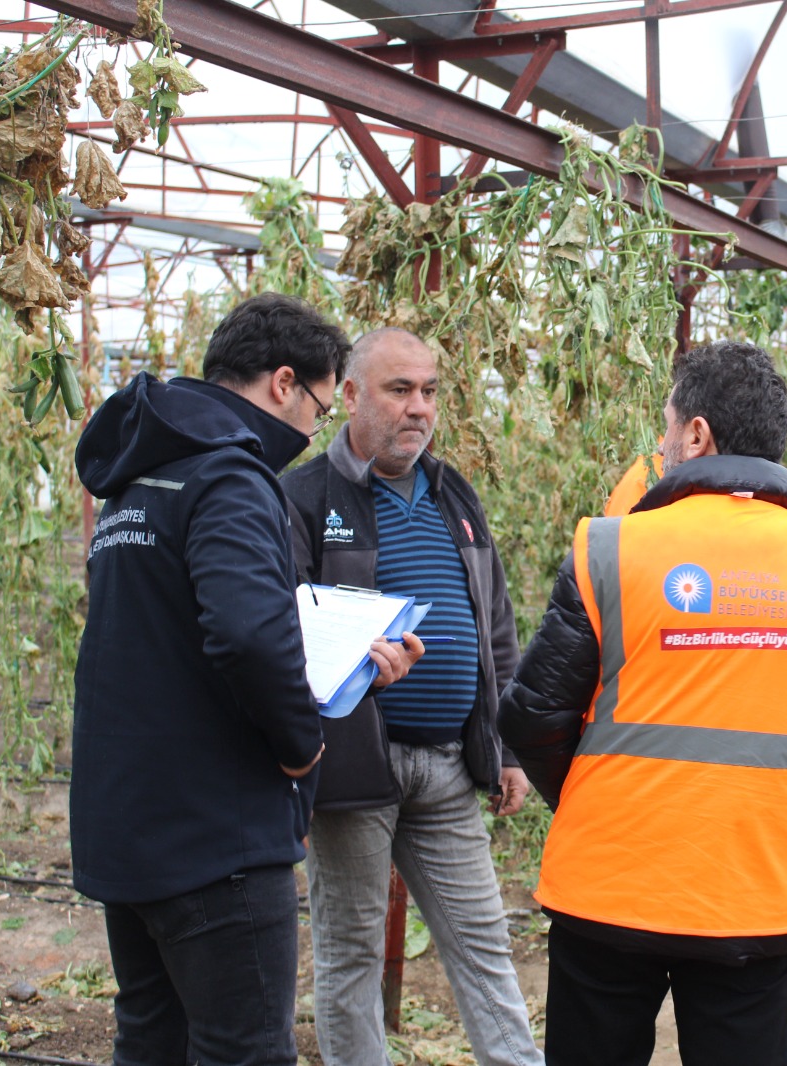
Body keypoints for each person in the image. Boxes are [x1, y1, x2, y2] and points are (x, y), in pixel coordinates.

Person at [499, 339, 787, 1066]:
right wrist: (785, 801)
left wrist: (602, 797)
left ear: (696, 434)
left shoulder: (609, 550)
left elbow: (532, 715)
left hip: (608, 886)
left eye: (667, 429)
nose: (662, 448)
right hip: (756, 892)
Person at [71, 293, 421, 1066]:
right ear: (283, 383)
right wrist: (301, 747)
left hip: (129, 819)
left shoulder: (139, 477)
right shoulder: (230, 475)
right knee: (245, 1049)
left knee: (152, 1039)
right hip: (213, 835)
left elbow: (166, 632)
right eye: (320, 409)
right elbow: (243, 634)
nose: (309, 434)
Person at [281, 328, 543, 1066]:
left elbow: (495, 626)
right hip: (356, 764)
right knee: (351, 952)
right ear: (353, 396)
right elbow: (279, 630)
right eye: (400, 391)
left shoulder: (454, 492)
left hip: (449, 767)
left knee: (483, 941)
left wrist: (508, 747)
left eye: (429, 391)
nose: (419, 408)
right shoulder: (304, 495)